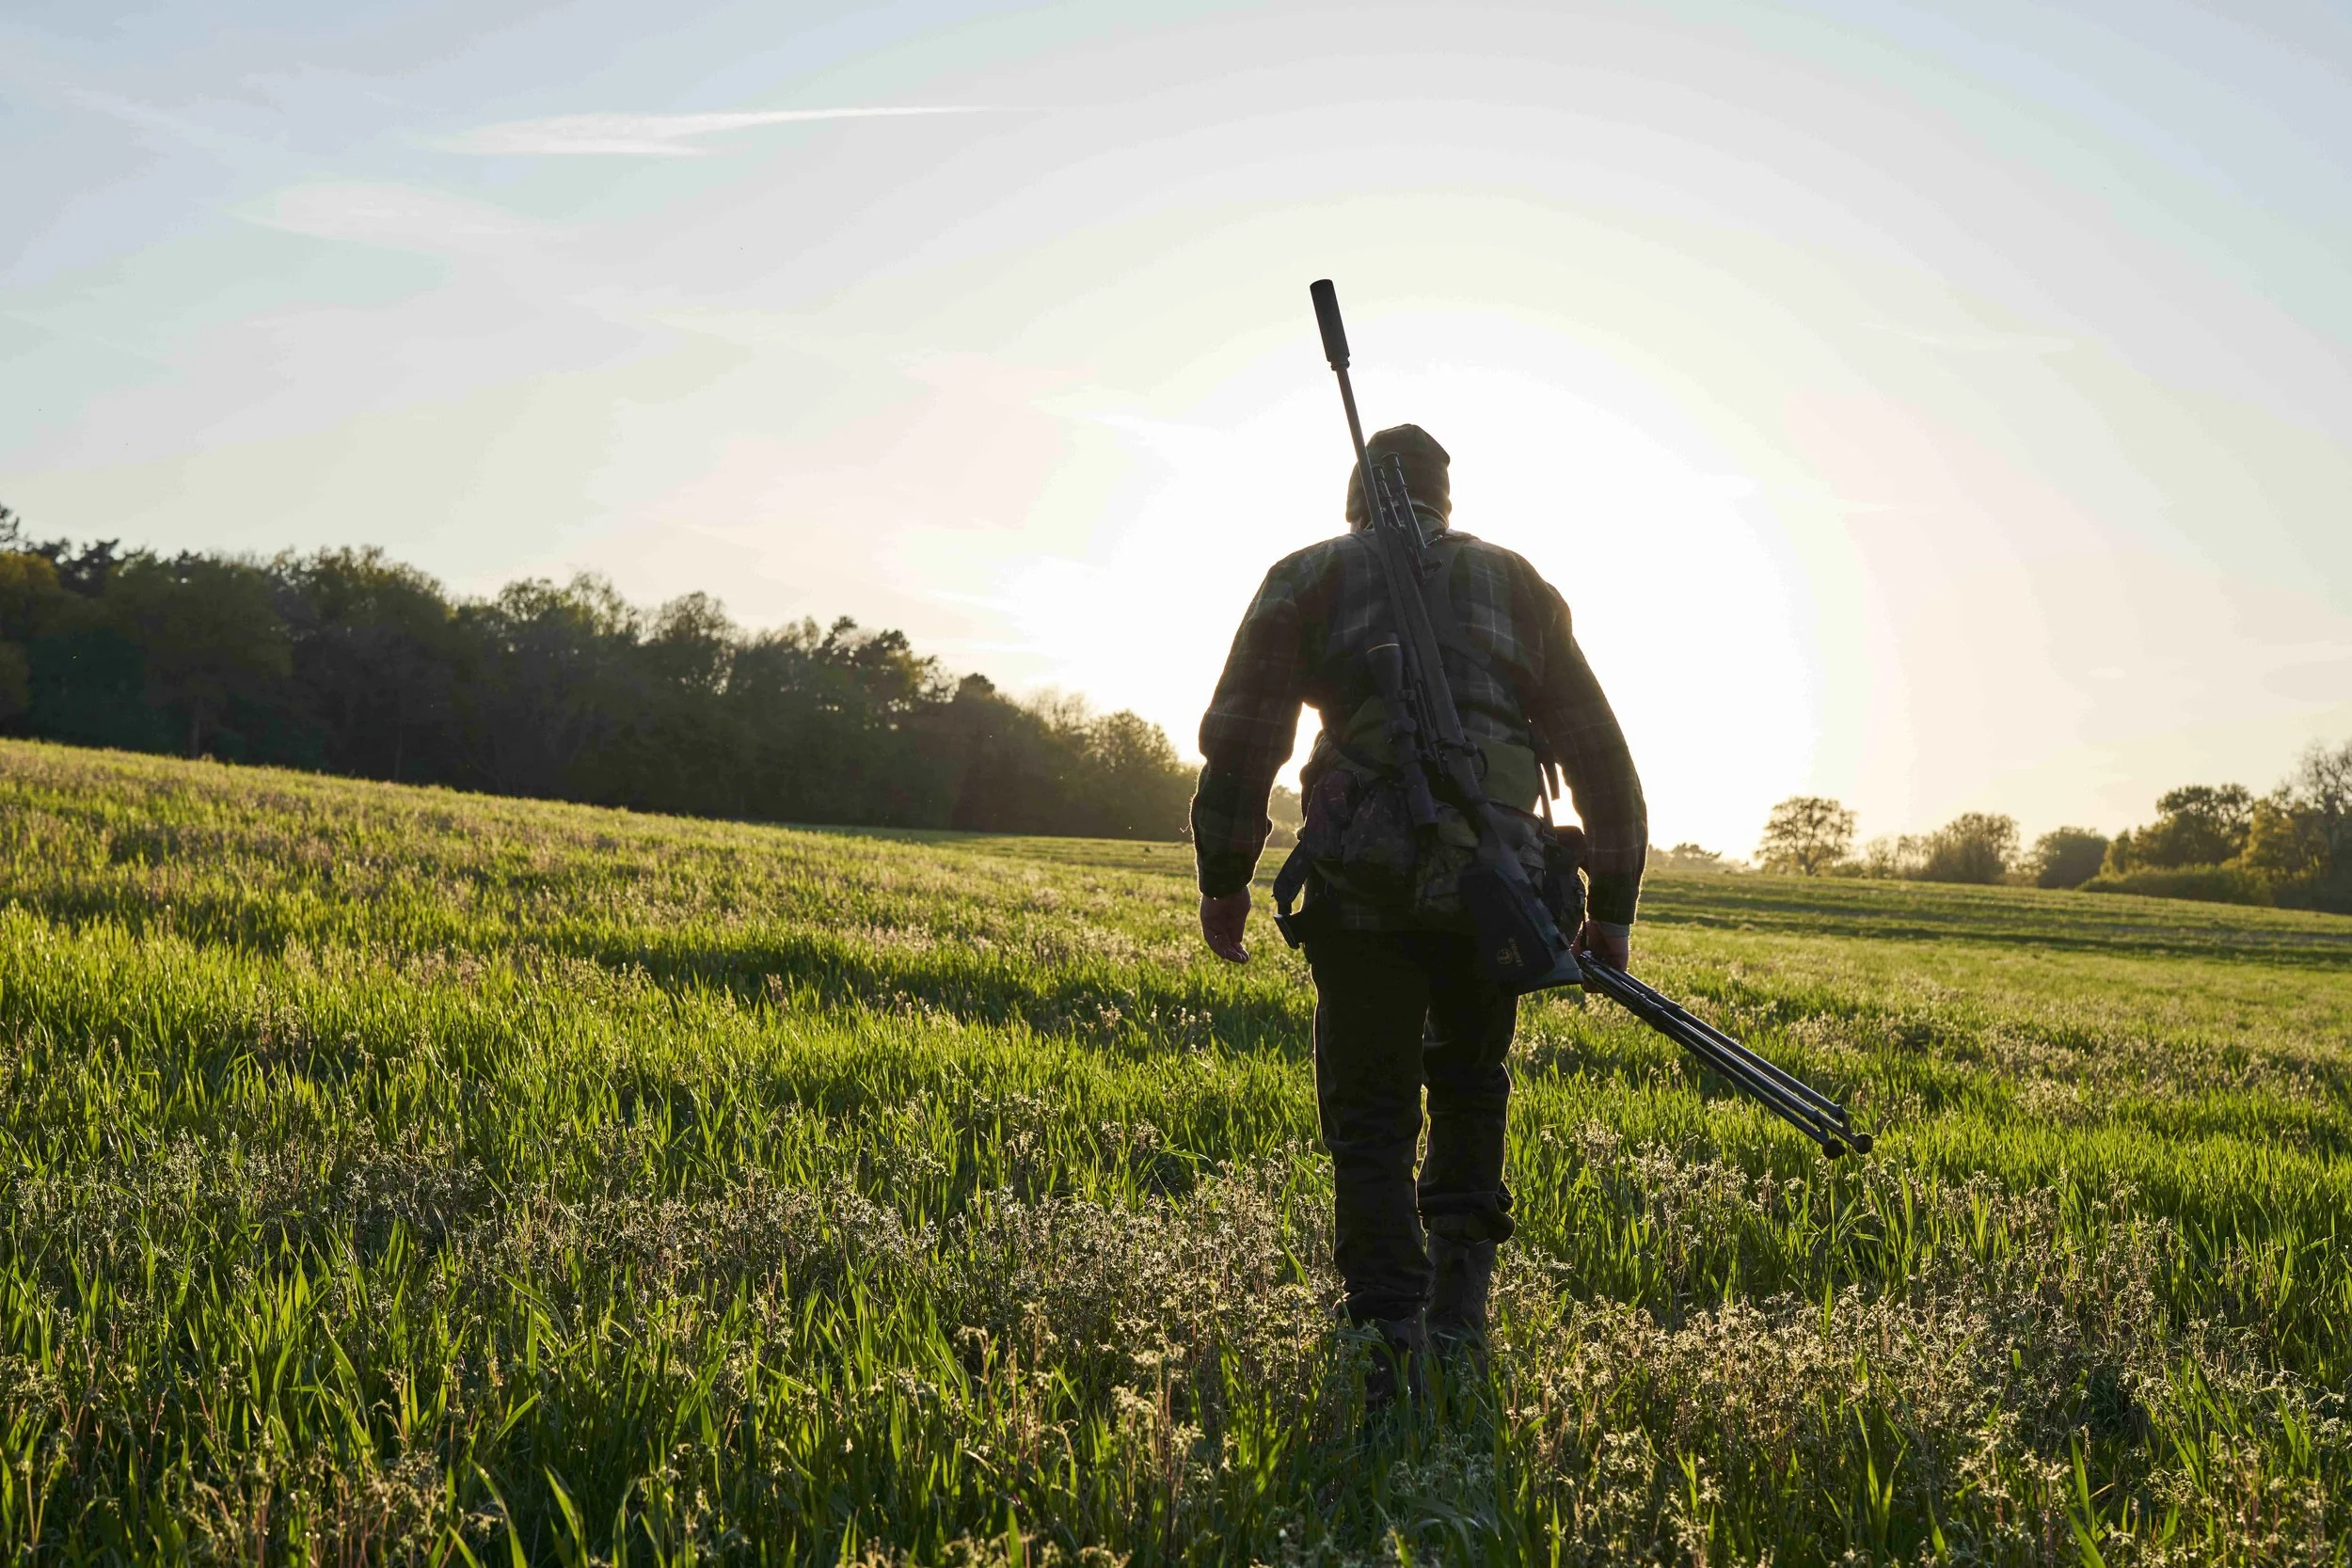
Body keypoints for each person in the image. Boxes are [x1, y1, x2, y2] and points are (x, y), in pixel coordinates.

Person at [1190, 422, 1646, 1393]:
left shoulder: (1305, 575)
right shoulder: (1517, 584)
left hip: (1364, 891)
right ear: (1447, 496)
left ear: (1356, 497)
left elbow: (1244, 736)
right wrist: (1611, 903)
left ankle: (1385, 1329)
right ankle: (1458, 1321)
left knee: (1370, 1114)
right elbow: (1598, 751)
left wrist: (1224, 872)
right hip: (1498, 885)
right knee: (1472, 1088)